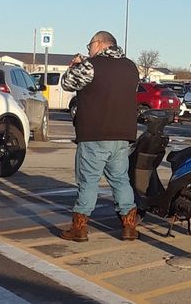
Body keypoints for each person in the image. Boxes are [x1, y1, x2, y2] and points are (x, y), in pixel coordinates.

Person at [59, 31, 139, 242]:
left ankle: (79, 228)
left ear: (100, 44)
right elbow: (108, 76)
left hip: (94, 134)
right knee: (121, 180)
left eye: (90, 46)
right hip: (122, 136)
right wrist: (87, 61)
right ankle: (129, 227)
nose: (88, 49)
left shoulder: (90, 66)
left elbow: (67, 83)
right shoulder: (131, 67)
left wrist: (76, 65)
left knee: (88, 181)